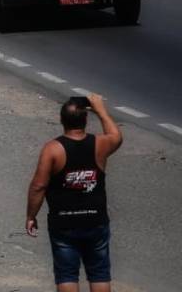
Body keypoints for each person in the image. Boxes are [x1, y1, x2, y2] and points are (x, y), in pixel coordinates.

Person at [25, 94, 122, 292]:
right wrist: (101, 111)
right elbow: (116, 137)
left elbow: (38, 186)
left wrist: (31, 216)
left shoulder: (53, 149)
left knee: (67, 275)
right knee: (99, 274)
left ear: (62, 121)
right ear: (86, 120)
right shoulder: (99, 144)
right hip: (95, 221)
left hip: (64, 224)